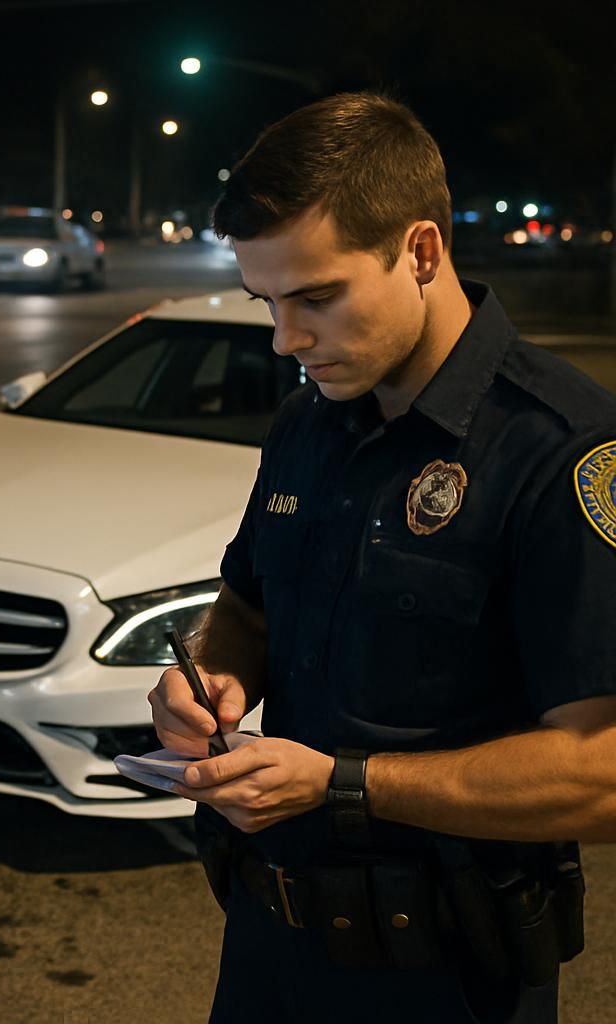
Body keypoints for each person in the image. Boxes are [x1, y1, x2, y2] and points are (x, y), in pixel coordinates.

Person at [148, 92, 616, 1023]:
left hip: (449, 977)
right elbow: (245, 605)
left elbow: (600, 770)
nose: (287, 339)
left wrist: (341, 784)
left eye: (318, 297)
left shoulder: (561, 448)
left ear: (422, 250)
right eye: (268, 302)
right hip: (266, 945)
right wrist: (210, 679)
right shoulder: (308, 422)